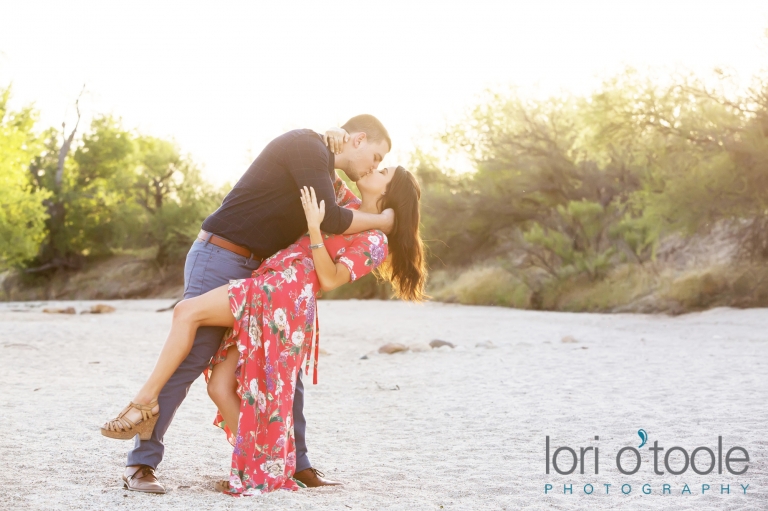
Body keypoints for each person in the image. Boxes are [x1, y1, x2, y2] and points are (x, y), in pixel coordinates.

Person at [103, 115, 395, 494]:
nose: (374, 166)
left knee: (288, 371)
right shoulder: (308, 147)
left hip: (257, 272)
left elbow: (341, 215)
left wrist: (385, 219)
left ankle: (298, 464)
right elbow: (336, 220)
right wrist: (385, 220)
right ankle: (141, 463)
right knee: (194, 356)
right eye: (376, 156)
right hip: (222, 255)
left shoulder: (327, 173)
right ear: (357, 139)